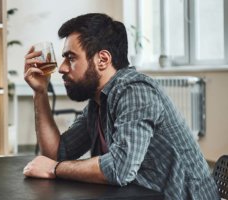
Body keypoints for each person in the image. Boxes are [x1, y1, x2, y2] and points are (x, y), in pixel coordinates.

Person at [23, 13, 219, 200]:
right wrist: (40, 92)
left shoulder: (135, 92)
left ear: (103, 60)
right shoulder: (98, 102)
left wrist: (54, 169)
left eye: (71, 58)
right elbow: (58, 153)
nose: (62, 68)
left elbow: (119, 168)